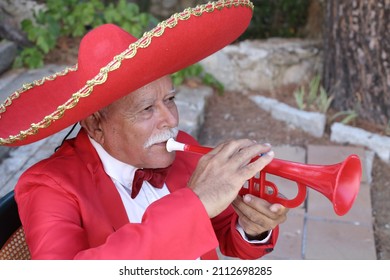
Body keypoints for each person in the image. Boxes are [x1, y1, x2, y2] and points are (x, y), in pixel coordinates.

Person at [0, 0, 288, 259]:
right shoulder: (49, 185)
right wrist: (195, 204)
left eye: (170, 100)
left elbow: (227, 234)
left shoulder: (182, 149)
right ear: (95, 124)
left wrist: (250, 227)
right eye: (147, 109)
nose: (172, 121)